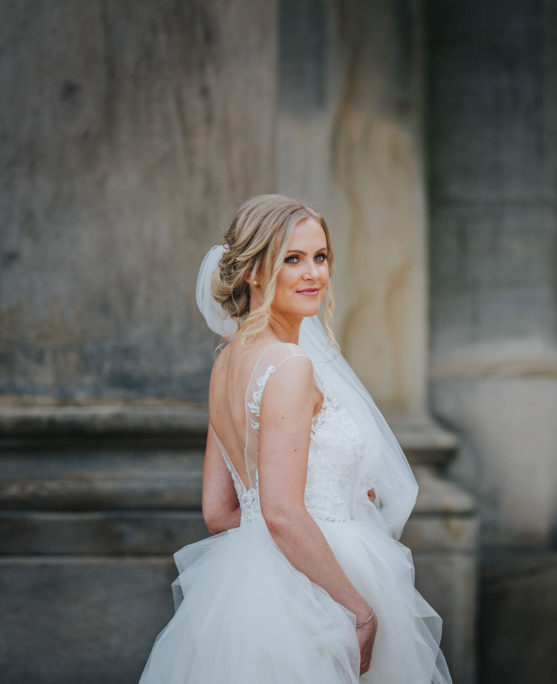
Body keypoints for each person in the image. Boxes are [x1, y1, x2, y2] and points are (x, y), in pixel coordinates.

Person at [141, 195, 451, 683]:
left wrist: (340, 495)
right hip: (310, 596)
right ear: (255, 272)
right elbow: (282, 510)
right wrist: (359, 611)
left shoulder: (227, 361)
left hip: (246, 590)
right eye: (293, 259)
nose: (313, 274)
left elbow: (219, 511)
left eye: (320, 257)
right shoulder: (290, 366)